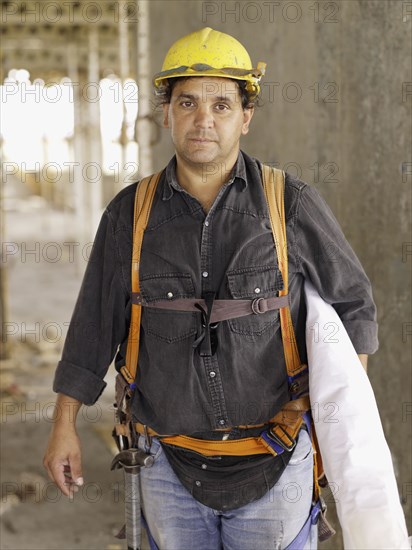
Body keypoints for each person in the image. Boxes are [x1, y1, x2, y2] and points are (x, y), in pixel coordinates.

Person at [43, 27, 378, 549]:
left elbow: (355, 307)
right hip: (165, 466)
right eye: (188, 103)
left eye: (222, 105)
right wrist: (63, 424)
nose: (204, 119)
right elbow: (93, 327)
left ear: (246, 117)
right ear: (166, 114)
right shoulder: (128, 215)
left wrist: (338, 422)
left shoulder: (289, 204)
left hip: (277, 462)